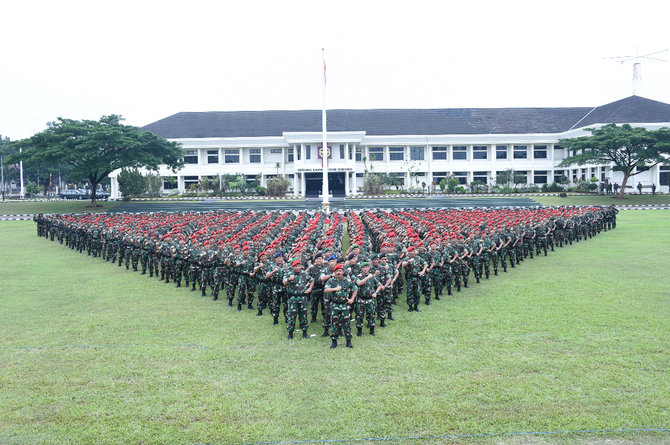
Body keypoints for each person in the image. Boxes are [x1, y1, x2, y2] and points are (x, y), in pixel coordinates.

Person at [325, 263, 357, 349]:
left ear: (343, 272)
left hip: (344, 305)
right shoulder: (331, 281)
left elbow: (355, 289)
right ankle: (334, 342)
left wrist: (352, 299)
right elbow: (326, 290)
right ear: (334, 272)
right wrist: (335, 289)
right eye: (337, 271)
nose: (338, 272)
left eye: (340, 271)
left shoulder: (347, 280)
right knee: (334, 324)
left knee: (346, 324)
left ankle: (348, 341)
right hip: (335, 305)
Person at [283, 258, 314, 339]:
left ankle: (304, 332)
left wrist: (309, 288)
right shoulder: (289, 274)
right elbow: (284, 283)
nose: (298, 267)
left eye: (299, 266)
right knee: (291, 316)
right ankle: (290, 333)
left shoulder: (304, 273)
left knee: (303, 316)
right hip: (293, 298)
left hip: (303, 298)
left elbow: (312, 280)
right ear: (293, 267)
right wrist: (289, 279)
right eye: (296, 266)